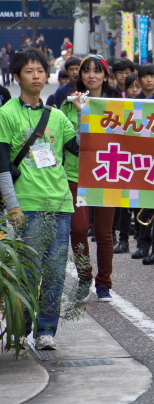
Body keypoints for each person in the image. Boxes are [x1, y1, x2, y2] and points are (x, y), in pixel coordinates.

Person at [0, 49, 82, 350]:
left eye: (40, 71)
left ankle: (47, 330)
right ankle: (22, 326)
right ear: (18, 76)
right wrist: (13, 205)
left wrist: (88, 115)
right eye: (29, 71)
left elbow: (80, 148)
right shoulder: (6, 114)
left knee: (55, 272)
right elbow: (1, 165)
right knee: (28, 271)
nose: (36, 76)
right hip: (28, 205)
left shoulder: (58, 116)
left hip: (60, 204)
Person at [62, 55, 120, 302]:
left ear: (106, 76)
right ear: (80, 75)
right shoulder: (67, 104)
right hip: (75, 174)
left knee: (105, 233)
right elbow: (74, 143)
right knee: (78, 229)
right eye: (87, 71)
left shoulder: (119, 104)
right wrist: (81, 111)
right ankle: (85, 277)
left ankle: (104, 283)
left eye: (97, 71)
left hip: (107, 174)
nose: (92, 75)